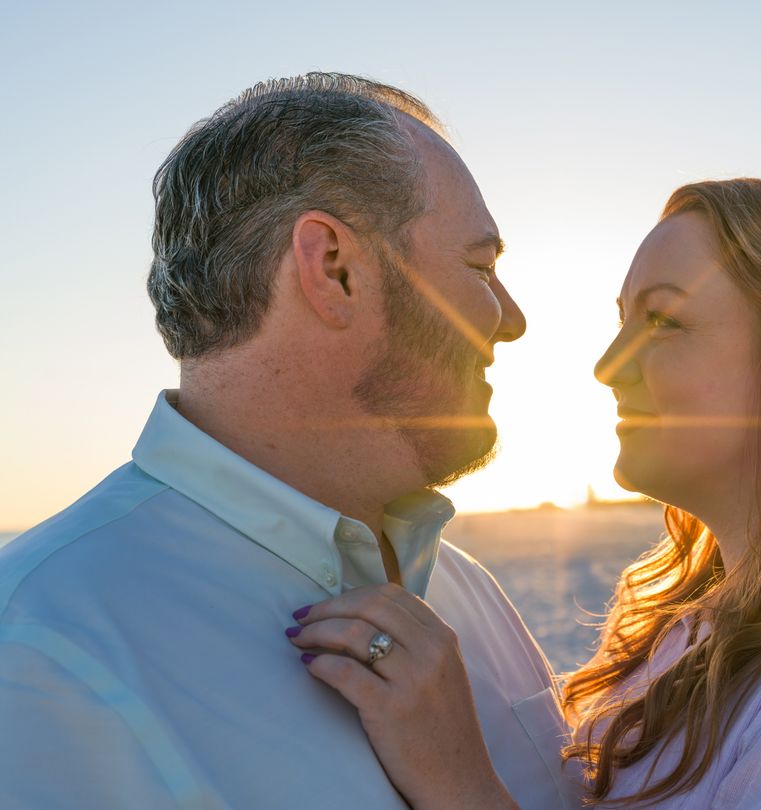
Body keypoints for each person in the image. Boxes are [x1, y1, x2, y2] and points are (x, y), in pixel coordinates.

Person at [289, 179, 761, 808]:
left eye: (664, 321)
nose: (609, 365)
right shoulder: (688, 632)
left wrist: (456, 778)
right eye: (622, 323)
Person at [0, 73, 582, 810]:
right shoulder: (40, 649)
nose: (512, 318)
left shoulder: (466, 591)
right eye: (481, 266)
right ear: (333, 268)